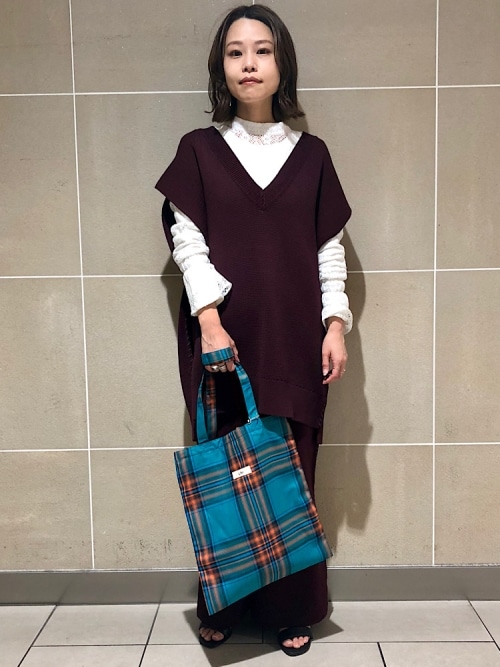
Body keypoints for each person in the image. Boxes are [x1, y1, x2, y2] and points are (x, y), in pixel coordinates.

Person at [155, 4, 352, 657]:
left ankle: (295, 608)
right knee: (229, 477)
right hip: (225, 343)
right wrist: (209, 322)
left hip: (296, 341)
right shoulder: (199, 150)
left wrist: (335, 324)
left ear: (281, 64)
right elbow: (188, 243)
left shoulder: (312, 156)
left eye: (262, 50)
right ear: (221, 67)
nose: (249, 63)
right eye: (235, 52)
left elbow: (328, 250)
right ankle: (224, 604)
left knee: (292, 473)